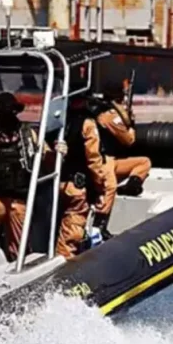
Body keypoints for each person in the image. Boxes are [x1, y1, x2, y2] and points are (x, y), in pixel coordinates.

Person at [0, 92, 65, 261]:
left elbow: (47, 160)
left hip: (21, 198)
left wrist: (58, 153)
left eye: (11, 113)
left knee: (19, 246)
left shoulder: (28, 135)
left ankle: (18, 261)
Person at [94, 79, 152, 234]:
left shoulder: (105, 111)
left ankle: (131, 187)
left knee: (144, 162)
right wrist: (130, 125)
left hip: (112, 159)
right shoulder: (110, 117)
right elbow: (129, 140)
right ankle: (99, 225)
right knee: (110, 186)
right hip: (102, 159)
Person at [56, 95, 110, 259]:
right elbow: (94, 160)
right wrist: (100, 188)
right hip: (76, 187)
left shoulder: (55, 121)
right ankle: (65, 264)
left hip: (54, 183)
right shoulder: (87, 124)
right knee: (72, 233)